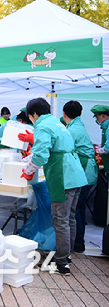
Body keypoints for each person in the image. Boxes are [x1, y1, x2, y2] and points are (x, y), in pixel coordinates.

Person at [21, 98, 87, 275]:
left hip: (62, 176)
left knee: (60, 219)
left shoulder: (42, 126)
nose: (32, 121)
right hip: (75, 174)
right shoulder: (56, 123)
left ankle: (61, 263)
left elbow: (41, 156)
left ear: (34, 114)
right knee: (69, 217)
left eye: (30, 117)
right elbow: (54, 147)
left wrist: (28, 169)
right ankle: (67, 256)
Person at [58, 101, 97, 253]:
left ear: (64, 114)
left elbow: (61, 149)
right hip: (86, 170)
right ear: (81, 114)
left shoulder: (72, 130)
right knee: (77, 208)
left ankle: (77, 243)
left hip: (83, 171)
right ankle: (77, 242)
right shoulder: (78, 126)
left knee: (76, 209)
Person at [91, 104, 109, 174]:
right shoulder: (106, 127)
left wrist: (95, 151)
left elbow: (107, 148)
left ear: (103, 116)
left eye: (97, 118)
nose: (97, 120)